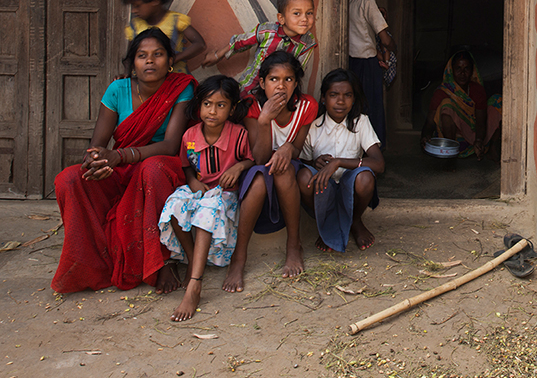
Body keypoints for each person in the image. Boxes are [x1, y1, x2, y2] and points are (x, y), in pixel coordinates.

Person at [52, 29, 197, 293]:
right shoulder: (117, 90)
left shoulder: (181, 87)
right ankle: (93, 261)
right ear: (133, 63)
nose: (150, 61)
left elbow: (171, 145)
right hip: (121, 167)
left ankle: (161, 262)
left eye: (158, 55)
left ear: (170, 60)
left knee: (151, 170)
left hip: (160, 165)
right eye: (142, 56)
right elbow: (98, 144)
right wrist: (95, 161)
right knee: (69, 179)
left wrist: (119, 156)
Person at [158, 76, 253, 321]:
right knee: (174, 205)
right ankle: (192, 260)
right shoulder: (189, 135)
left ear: (232, 109)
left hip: (223, 196)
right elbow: (185, 165)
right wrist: (191, 180)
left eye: (221, 105)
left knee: (207, 209)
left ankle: (195, 284)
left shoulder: (238, 134)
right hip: (198, 189)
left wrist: (238, 168)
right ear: (199, 105)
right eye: (208, 104)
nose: (212, 111)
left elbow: (250, 159)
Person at [223, 52, 317, 291]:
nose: (281, 86)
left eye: (288, 79)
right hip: (258, 166)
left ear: (296, 83)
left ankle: (293, 245)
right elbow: (260, 158)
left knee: (283, 170)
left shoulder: (307, 106)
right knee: (259, 179)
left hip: (289, 166)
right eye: (274, 79)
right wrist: (264, 120)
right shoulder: (252, 108)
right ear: (262, 83)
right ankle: (239, 257)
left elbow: (297, 148)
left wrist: (287, 148)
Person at [298, 69, 384, 252]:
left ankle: (354, 220)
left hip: (350, 186)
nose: (340, 101)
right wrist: (315, 164)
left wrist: (338, 162)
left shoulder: (360, 122)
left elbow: (379, 164)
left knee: (366, 178)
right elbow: (302, 163)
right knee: (303, 177)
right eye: (333, 95)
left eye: (347, 95)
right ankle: (327, 223)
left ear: (353, 99)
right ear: (323, 98)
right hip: (324, 188)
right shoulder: (314, 126)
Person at [202, 0, 317, 93]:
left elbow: (298, 70)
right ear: (281, 18)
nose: (305, 19)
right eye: (297, 13)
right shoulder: (267, 31)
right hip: (250, 87)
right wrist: (218, 55)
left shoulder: (308, 42)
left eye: (309, 13)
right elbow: (240, 42)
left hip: (280, 91)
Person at [348, 0, 395, 148]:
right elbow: (384, 37)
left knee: (356, 109)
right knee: (372, 108)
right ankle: (373, 151)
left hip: (352, 63)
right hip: (368, 65)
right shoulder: (368, 0)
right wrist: (392, 47)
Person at [123, 0, 206, 74]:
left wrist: (173, 59)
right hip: (146, 82)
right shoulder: (134, 26)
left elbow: (200, 44)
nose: (133, 11)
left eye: (137, 6)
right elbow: (130, 56)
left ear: (155, 0)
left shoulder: (175, 20)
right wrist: (127, 76)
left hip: (175, 79)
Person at [424, 51, 500, 159]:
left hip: (474, 135)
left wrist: (478, 140)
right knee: (447, 104)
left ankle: (491, 149)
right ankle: (450, 155)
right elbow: (430, 121)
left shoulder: (477, 90)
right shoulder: (443, 92)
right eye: (458, 68)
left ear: (472, 70)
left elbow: (480, 121)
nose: (462, 73)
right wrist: (425, 136)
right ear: (451, 70)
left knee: (498, 101)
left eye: (467, 69)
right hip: (454, 138)